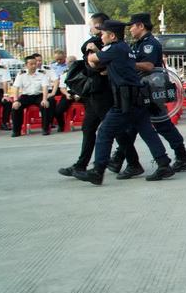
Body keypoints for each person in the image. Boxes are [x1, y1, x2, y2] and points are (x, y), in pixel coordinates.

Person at [72, 20, 174, 185]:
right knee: (147, 131)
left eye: (103, 34)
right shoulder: (125, 48)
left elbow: (92, 60)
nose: (101, 37)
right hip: (137, 97)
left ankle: (98, 171)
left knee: (104, 132)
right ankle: (164, 164)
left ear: (112, 36)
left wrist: (92, 51)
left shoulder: (114, 49)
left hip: (125, 100)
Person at [108, 13, 186, 178]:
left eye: (132, 26)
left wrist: (126, 63)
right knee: (135, 125)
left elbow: (148, 66)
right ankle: (121, 159)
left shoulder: (150, 44)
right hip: (141, 89)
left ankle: (180, 157)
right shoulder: (138, 44)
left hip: (151, 90)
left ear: (141, 26)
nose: (130, 30)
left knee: (161, 125)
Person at [59, 13, 138, 177]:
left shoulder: (101, 44)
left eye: (92, 25)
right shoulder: (108, 44)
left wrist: (96, 59)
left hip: (102, 92)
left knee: (112, 130)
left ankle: (131, 162)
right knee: (89, 128)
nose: (92, 29)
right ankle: (81, 165)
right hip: (95, 92)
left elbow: (96, 64)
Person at [10, 55, 53, 136]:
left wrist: (44, 99)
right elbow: (16, 88)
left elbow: (45, 87)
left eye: (35, 64)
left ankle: (45, 129)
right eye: (31, 64)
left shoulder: (42, 74)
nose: (34, 66)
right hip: (26, 96)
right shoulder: (21, 74)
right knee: (16, 107)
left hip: (38, 95)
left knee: (45, 105)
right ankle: (16, 131)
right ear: (26, 65)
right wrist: (16, 100)